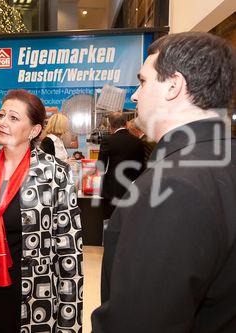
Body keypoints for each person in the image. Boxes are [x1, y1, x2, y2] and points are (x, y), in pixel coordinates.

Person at [91, 32, 236, 333]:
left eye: (143, 82)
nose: (134, 95)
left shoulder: (174, 185)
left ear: (173, 85)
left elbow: (139, 321)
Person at [0, 89, 83, 333]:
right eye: (2, 115)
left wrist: (68, 323)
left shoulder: (54, 174)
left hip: (32, 294)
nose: (3, 122)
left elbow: (69, 252)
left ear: (34, 131)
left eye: (14, 118)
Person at [97, 111, 144, 219]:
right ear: (126, 124)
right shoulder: (138, 142)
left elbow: (101, 166)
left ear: (110, 125)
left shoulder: (108, 140)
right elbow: (141, 167)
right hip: (132, 189)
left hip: (112, 189)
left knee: (110, 221)